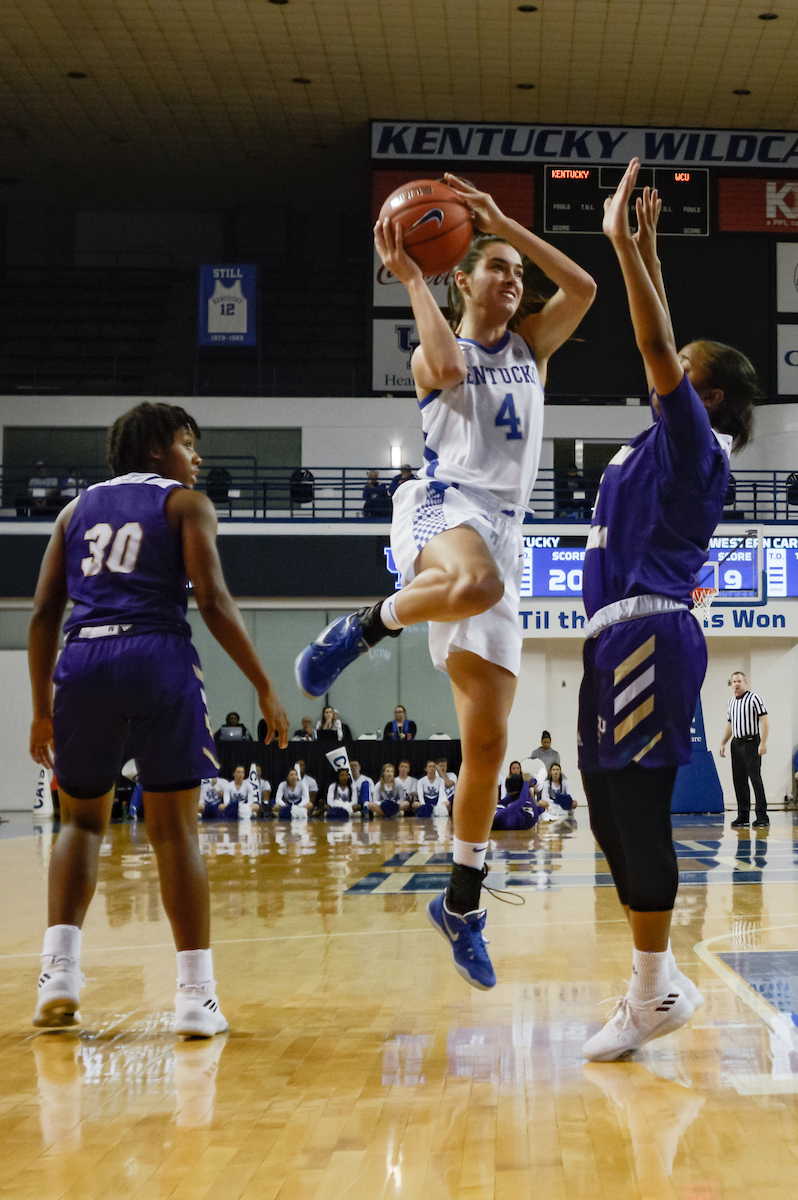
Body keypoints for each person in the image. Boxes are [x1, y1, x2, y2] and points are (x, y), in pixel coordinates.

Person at [296, 172, 595, 988]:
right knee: (478, 583)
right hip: (440, 505)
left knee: (488, 747)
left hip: (505, 533)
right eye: (497, 267)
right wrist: (410, 283)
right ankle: (364, 626)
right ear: (461, 277)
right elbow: (444, 369)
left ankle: (461, 904)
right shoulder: (448, 352)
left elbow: (586, 285)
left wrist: (507, 225)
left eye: (517, 275)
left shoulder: (532, 348)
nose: (515, 280)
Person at [28, 400, 289, 1038]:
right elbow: (215, 600)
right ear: (155, 451)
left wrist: (40, 710)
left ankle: (58, 974)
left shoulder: (72, 512)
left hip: (83, 659)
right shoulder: (184, 504)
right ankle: (195, 997)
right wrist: (263, 684)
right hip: (155, 654)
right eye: (187, 442)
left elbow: (42, 616)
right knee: (175, 832)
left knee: (80, 823)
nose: (196, 457)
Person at [578, 160, 760, 1061]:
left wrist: (620, 246)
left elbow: (659, 352)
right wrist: (648, 251)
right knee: (608, 817)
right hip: (608, 638)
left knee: (641, 815)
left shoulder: (696, 444)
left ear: (707, 395)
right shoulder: (662, 440)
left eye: (686, 374)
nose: (666, 373)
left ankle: (655, 992)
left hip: (649, 627)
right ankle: (654, 986)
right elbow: (665, 348)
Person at [719, 671, 769, 828]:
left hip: (751, 742)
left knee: (755, 778)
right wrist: (723, 743)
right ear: (731, 683)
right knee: (739, 780)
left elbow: (765, 721)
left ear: (745, 682)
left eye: (739, 681)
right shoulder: (731, 702)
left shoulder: (754, 698)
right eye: (734, 681)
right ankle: (743, 816)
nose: (736, 684)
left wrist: (763, 743)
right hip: (737, 743)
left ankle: (762, 816)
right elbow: (730, 725)